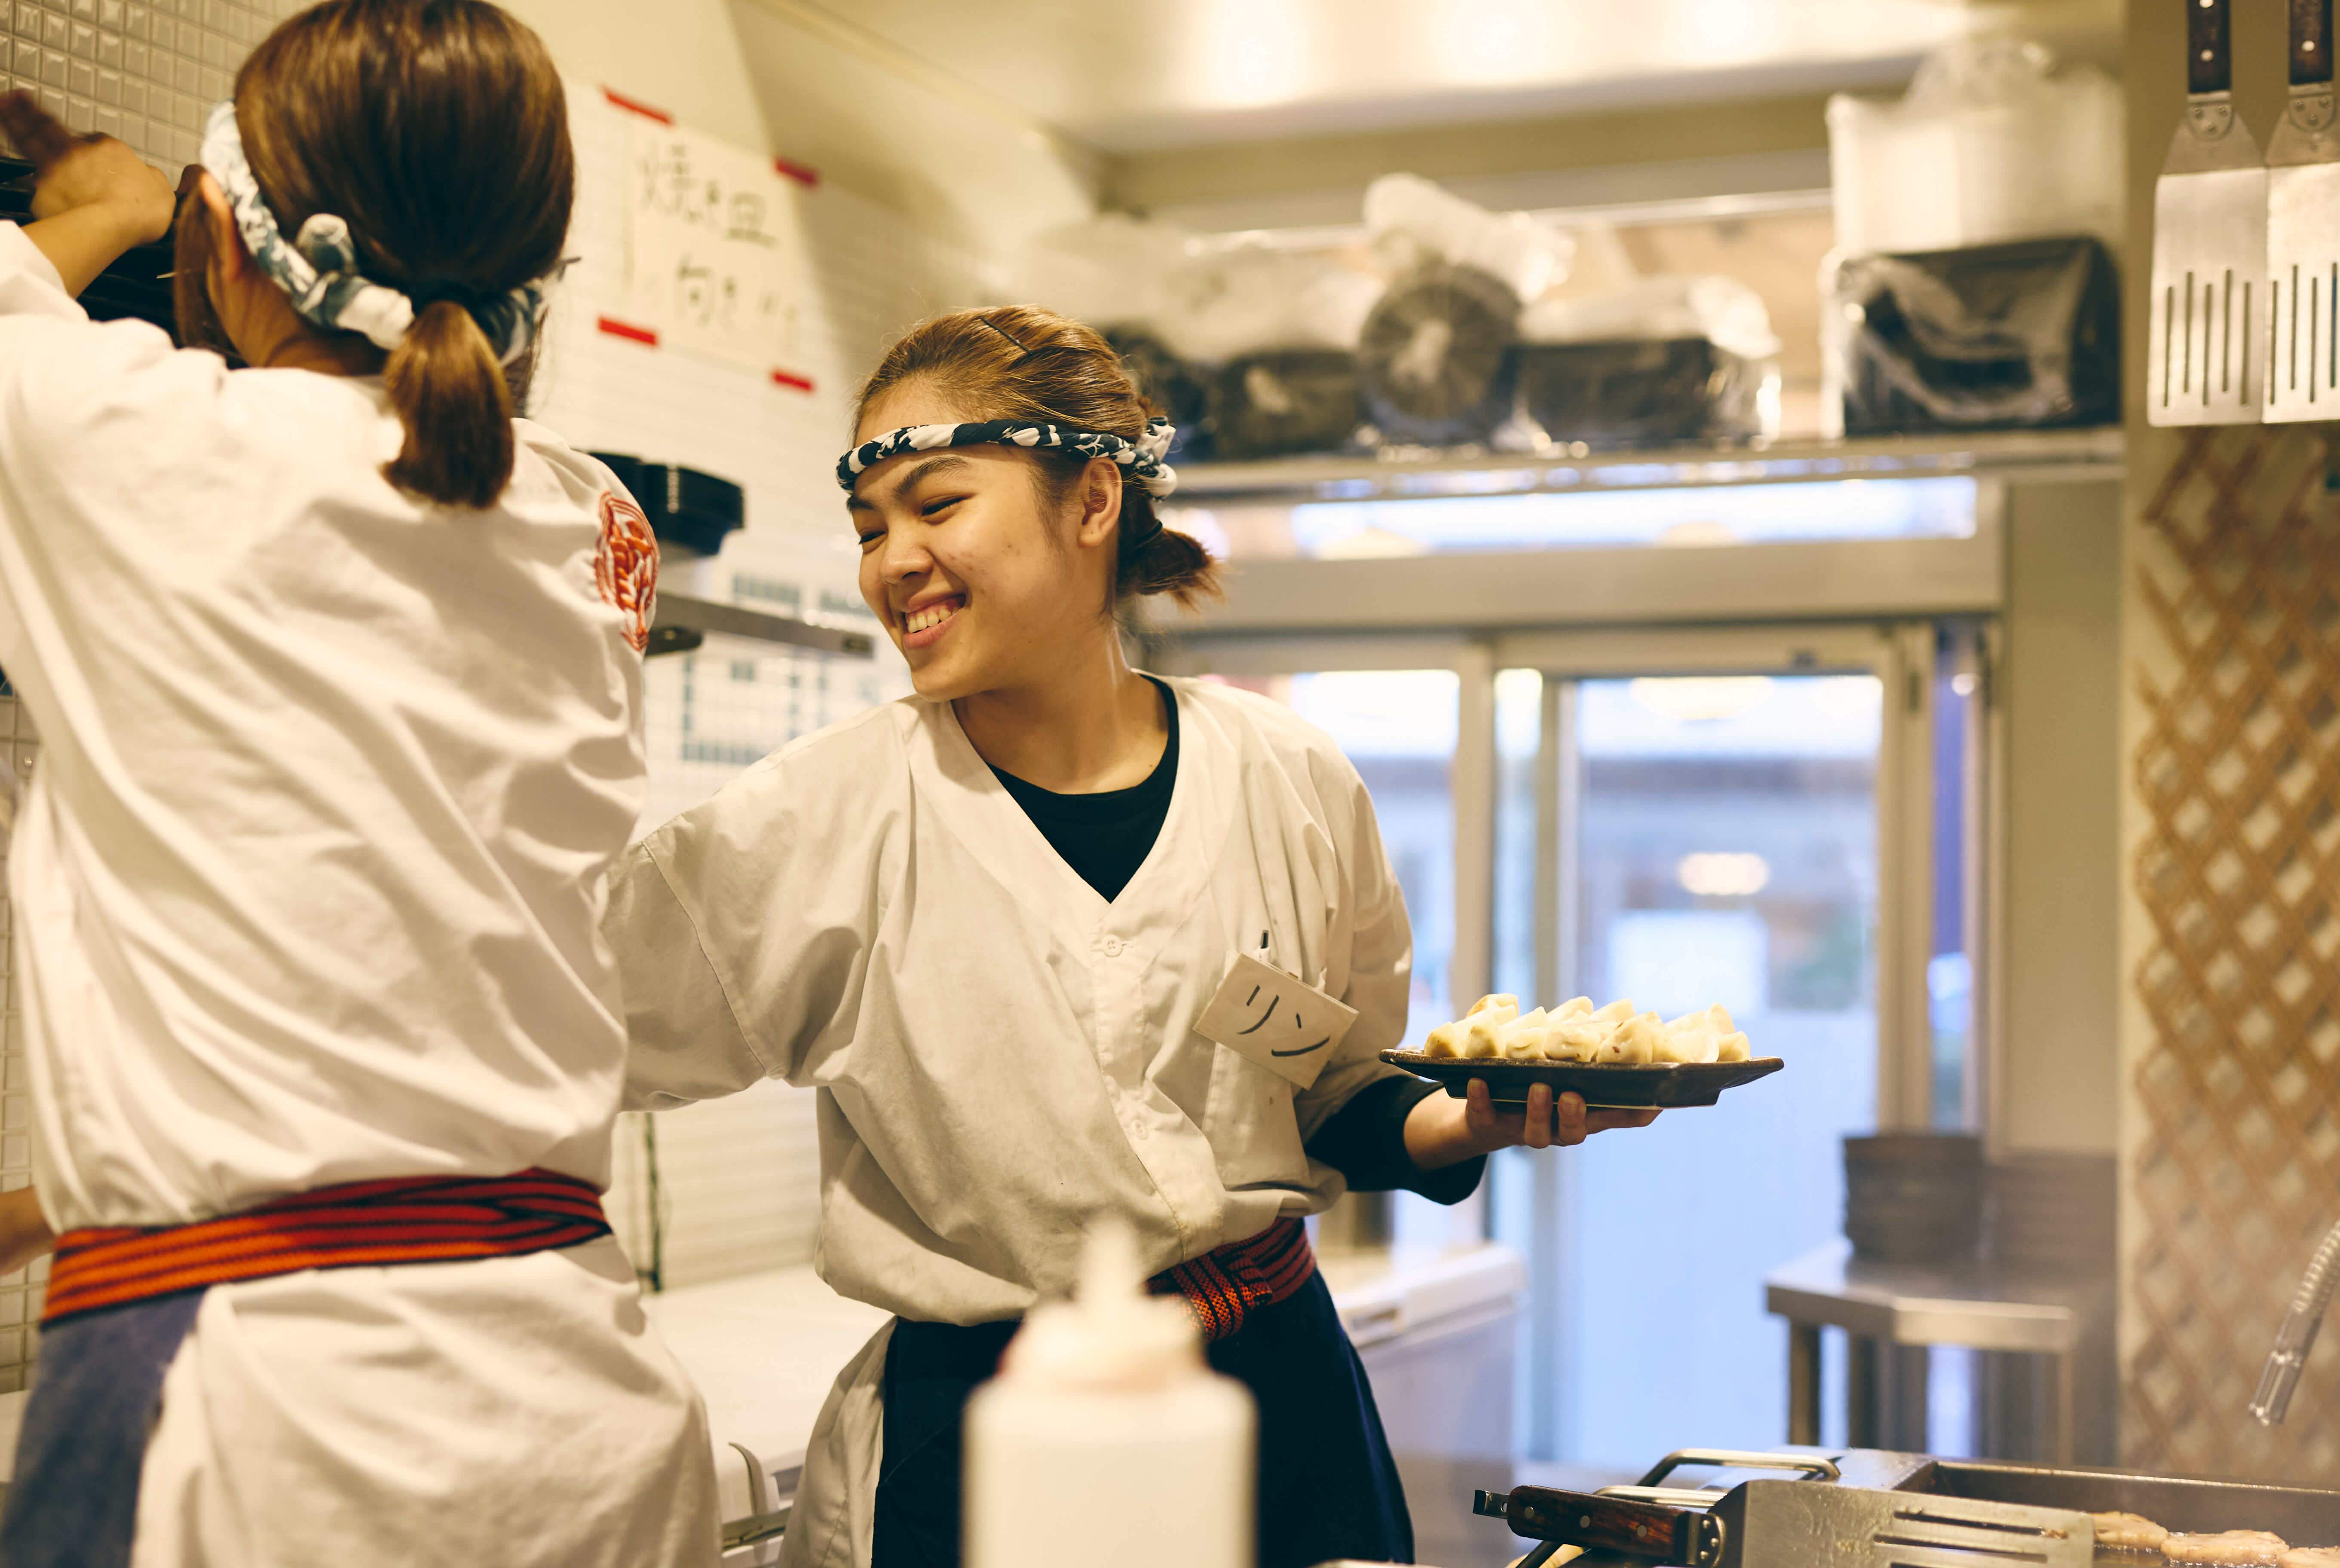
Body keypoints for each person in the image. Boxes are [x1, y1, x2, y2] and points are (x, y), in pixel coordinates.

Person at [607, 303, 1660, 1568]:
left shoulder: (1286, 778)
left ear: (1093, 500)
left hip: (1284, 1404)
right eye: (871, 527)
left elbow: (1333, 1087)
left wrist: (1468, 1121)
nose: (895, 559)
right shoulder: (819, 818)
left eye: (938, 505)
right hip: (986, 1433)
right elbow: (556, 1025)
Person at [0, 3, 715, 1564]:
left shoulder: (141, 439)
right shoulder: (599, 528)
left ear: (228, 241)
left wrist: (105, 211)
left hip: (263, 1418)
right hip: (590, 1398)